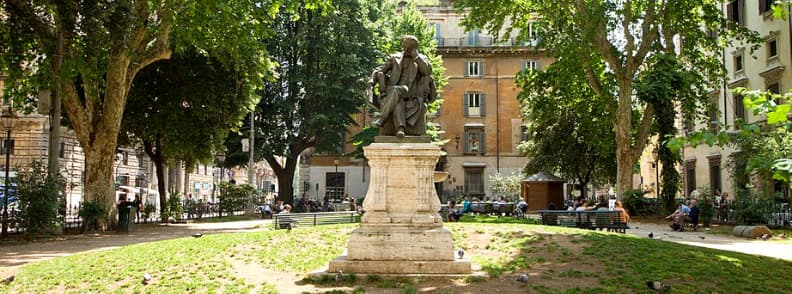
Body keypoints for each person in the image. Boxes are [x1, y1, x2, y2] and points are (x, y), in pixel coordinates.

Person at [370, 35, 437, 137]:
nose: (406, 49)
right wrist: (371, 82)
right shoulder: (394, 58)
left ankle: (382, 118)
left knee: (397, 91)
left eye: (409, 47)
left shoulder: (422, 59)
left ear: (414, 48)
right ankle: (401, 129)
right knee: (397, 101)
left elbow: (427, 72)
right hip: (394, 92)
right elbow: (380, 70)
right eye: (405, 46)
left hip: (411, 92)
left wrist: (416, 57)